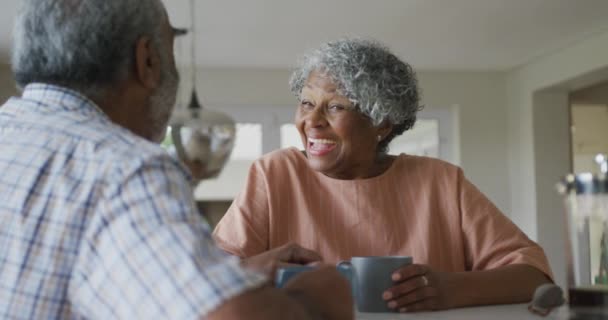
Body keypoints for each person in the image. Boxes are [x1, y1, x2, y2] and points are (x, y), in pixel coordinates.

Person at [0, 1, 353, 319]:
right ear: (148, 60)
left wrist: (232, 278)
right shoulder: (122, 167)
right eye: (171, 45)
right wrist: (314, 299)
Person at [213, 38, 554, 312]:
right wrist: (257, 267)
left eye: (335, 106)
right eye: (306, 103)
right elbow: (205, 279)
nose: (312, 121)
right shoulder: (274, 174)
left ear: (382, 124)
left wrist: (449, 289)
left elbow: (534, 276)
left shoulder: (440, 182)